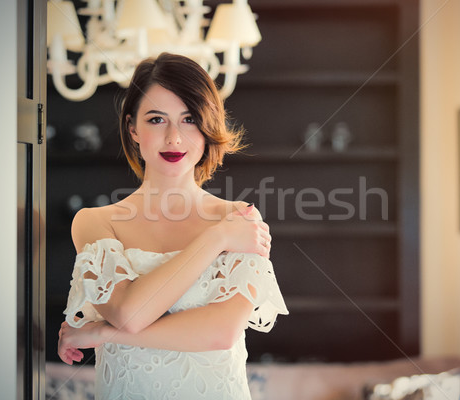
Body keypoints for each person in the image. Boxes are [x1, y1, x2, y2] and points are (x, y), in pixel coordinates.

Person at [57, 52, 288, 399]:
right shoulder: (94, 222)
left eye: (190, 119)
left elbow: (220, 333)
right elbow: (128, 314)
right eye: (156, 119)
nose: (174, 139)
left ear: (208, 127)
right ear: (132, 128)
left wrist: (103, 333)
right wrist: (217, 237)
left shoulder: (241, 218)